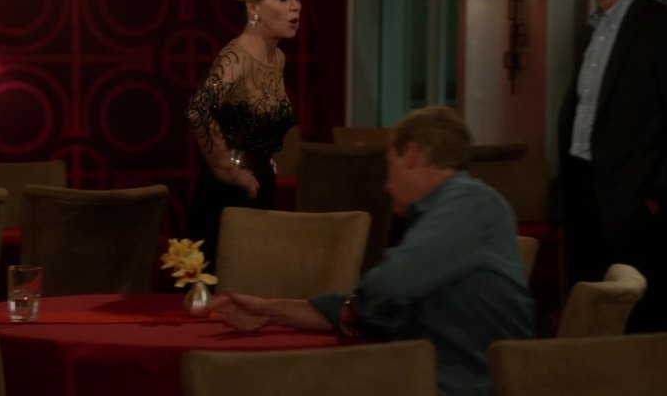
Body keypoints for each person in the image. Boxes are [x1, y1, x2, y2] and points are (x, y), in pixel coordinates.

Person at [214, 105, 535, 396]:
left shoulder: (471, 201)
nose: (386, 185)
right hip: (426, 377)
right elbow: (364, 306)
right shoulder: (438, 217)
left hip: (469, 385)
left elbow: (391, 283)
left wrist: (355, 307)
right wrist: (269, 311)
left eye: (389, 165)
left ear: (412, 154)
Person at [557, 0, 667, 332]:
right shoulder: (590, 30)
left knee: (640, 325)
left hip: (638, 204)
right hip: (583, 192)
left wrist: (656, 192)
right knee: (588, 319)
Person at [185, 0, 304, 271]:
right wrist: (229, 168)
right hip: (227, 197)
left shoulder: (277, 57)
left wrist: (264, 160)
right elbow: (199, 110)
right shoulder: (236, 57)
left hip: (260, 188)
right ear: (254, 6)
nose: (295, 7)